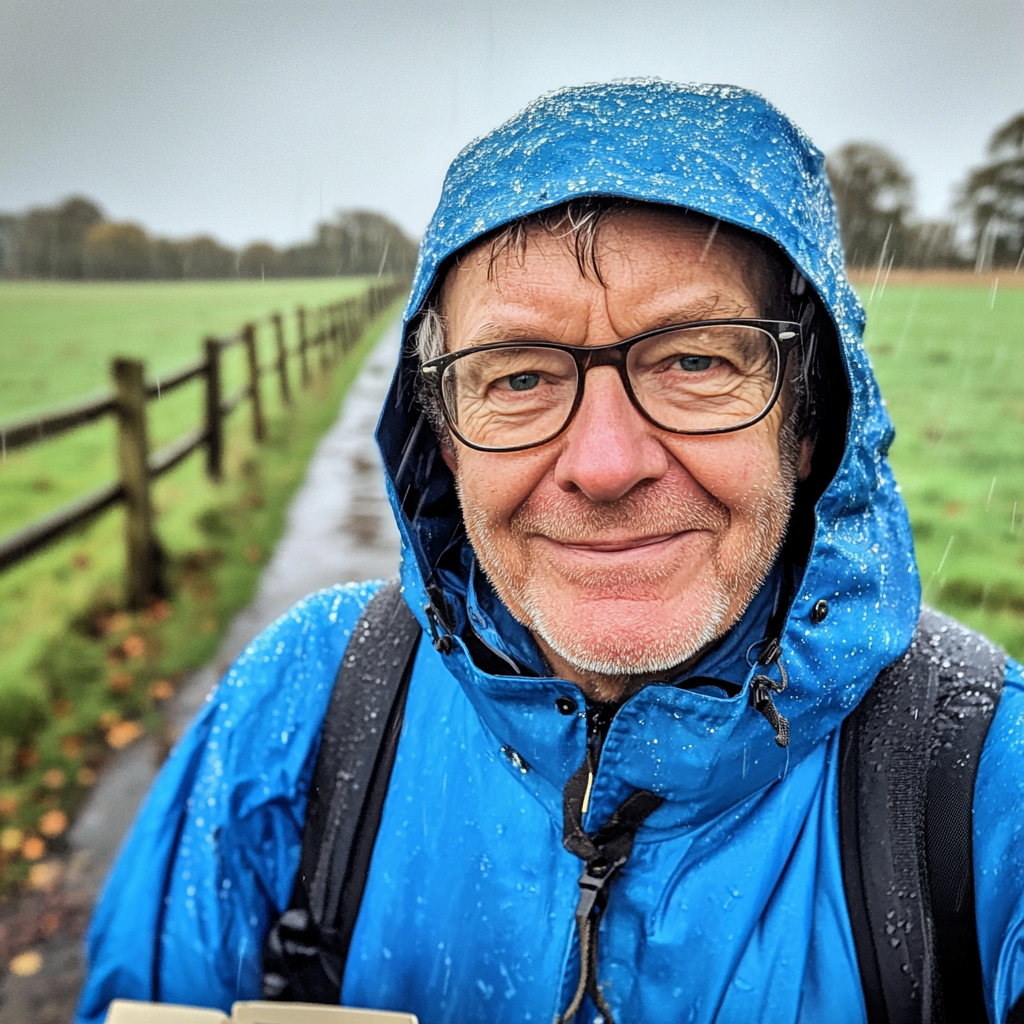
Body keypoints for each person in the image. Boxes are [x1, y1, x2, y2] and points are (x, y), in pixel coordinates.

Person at [77, 80, 1024, 1024]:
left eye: (695, 359)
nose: (606, 464)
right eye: (520, 376)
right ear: (443, 439)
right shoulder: (310, 699)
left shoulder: (985, 771)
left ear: (808, 418)